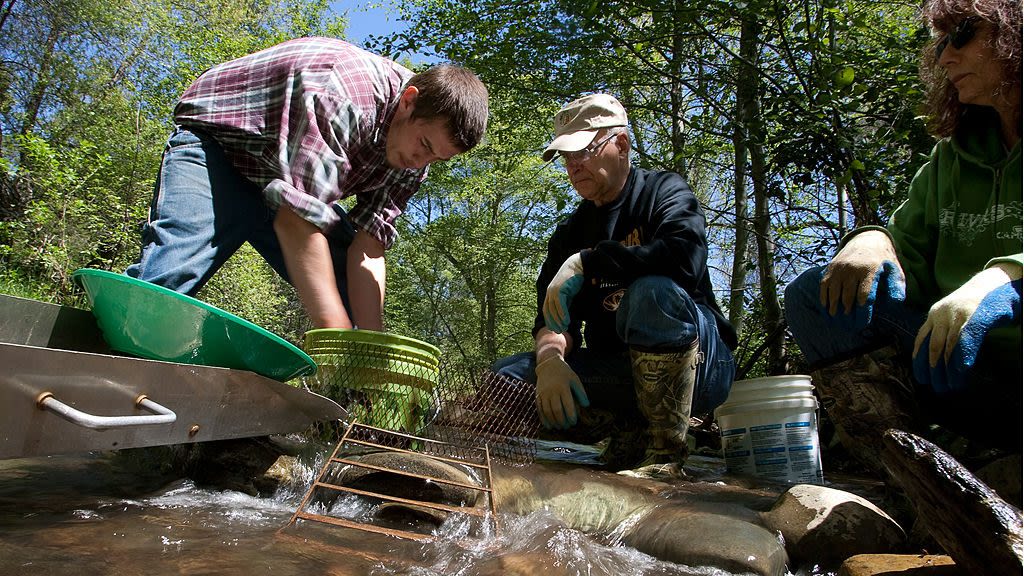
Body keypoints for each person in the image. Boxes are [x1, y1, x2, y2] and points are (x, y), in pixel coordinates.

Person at [784, 0, 1021, 472]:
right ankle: (906, 474)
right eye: (940, 42)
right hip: (965, 374)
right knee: (816, 296)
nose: (944, 58)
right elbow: (905, 244)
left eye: (962, 34)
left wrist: (1003, 281)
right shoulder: (952, 159)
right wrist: (873, 241)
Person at [127, 37, 489, 331]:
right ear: (409, 103)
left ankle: (343, 413)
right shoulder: (343, 92)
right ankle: (99, 367)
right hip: (220, 150)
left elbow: (368, 248)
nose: (420, 162)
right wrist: (335, 330)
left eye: (437, 158)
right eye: (424, 145)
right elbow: (296, 221)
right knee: (173, 270)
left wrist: (369, 346)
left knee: (352, 295)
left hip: (285, 187)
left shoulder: (413, 160)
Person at [492, 94, 737, 470]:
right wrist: (550, 360)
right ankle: (629, 430)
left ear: (620, 144)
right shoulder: (571, 231)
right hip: (620, 371)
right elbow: (553, 319)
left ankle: (666, 453)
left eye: (583, 152)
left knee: (651, 294)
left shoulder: (663, 192)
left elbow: (685, 259)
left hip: (701, 364)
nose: (573, 166)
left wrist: (589, 263)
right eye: (566, 158)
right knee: (507, 380)